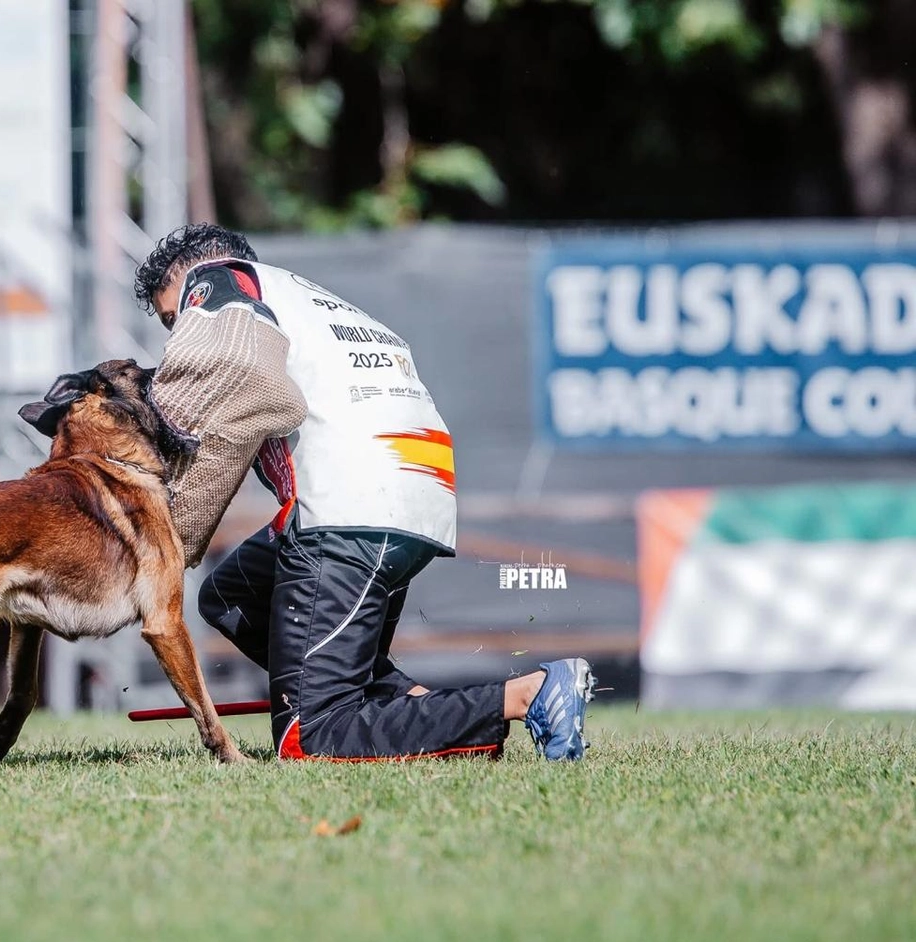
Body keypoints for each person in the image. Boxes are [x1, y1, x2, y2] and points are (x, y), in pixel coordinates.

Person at [137, 223, 594, 761]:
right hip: (408, 496)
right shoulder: (314, 303)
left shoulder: (216, 279)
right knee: (230, 593)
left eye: (175, 319)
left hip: (347, 510)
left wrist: (172, 528)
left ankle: (530, 693)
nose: (178, 336)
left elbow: (229, 383)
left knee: (311, 737)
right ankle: (415, 708)